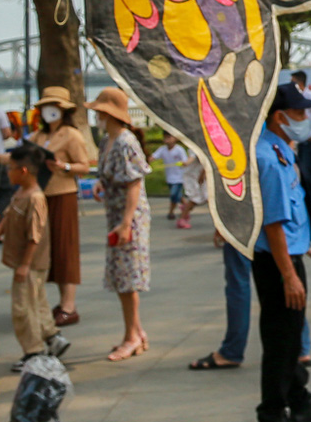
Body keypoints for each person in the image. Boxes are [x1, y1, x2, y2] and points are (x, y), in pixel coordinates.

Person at [254, 84, 311, 422]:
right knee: (281, 341)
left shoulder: (281, 149)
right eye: (300, 113)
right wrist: (289, 275)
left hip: (289, 255)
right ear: (279, 117)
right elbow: (272, 223)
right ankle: (271, 418)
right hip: (276, 261)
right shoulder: (268, 158)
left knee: (290, 337)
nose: (306, 119)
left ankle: (298, 400)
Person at [90, 86, 151, 362]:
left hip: (130, 218)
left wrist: (126, 223)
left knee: (127, 279)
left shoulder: (126, 142)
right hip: (115, 215)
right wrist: (100, 183)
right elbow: (111, 173)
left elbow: (135, 184)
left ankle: (131, 336)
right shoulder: (107, 141)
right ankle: (136, 331)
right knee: (120, 277)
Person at [0, 142, 67, 369]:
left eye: (11, 168)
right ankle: (53, 338)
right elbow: (7, 216)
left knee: (22, 308)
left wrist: (24, 265)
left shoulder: (35, 198)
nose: (8, 173)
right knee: (36, 302)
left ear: (23, 171)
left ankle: (34, 351)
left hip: (31, 263)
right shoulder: (21, 193)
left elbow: (34, 236)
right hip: (23, 262)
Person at [32, 86, 96, 326]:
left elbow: (84, 166)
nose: (49, 111)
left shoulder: (72, 135)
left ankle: (69, 305)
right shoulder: (39, 136)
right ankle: (58, 302)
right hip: (42, 195)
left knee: (65, 248)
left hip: (63, 194)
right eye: (46, 107)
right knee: (46, 250)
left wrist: (64, 167)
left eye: (54, 106)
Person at [188, 226, 252, 372]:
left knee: (238, 283)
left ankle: (232, 351)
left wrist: (223, 222)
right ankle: (299, 347)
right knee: (281, 275)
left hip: (242, 219)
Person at [289, 70, 311, 188]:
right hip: (303, 138)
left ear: (299, 83)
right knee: (303, 170)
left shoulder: (309, 95)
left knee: (306, 169)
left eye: (292, 82)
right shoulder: (298, 97)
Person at [154, 132, 194, 229]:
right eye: (165, 138)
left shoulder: (179, 150)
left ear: (175, 138)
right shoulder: (162, 150)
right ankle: (186, 206)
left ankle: (171, 212)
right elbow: (154, 156)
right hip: (170, 178)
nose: (167, 140)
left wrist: (183, 163)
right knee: (177, 195)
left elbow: (185, 161)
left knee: (173, 194)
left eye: (169, 137)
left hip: (179, 177)